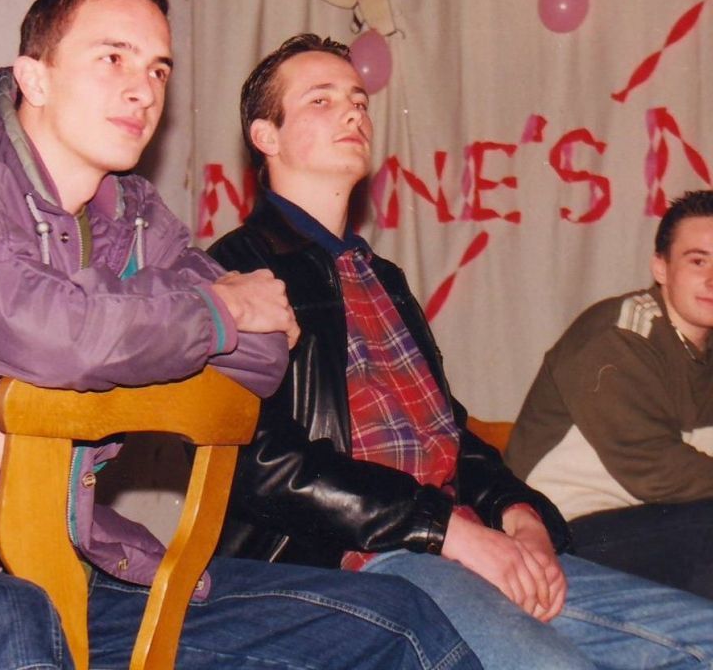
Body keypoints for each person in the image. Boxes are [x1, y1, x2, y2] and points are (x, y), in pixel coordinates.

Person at [0, 0, 481, 670]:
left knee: (399, 623)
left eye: (158, 69)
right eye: (113, 58)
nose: (144, 90)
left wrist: (59, 382)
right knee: (13, 620)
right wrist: (202, 314)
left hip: (68, 558)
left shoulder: (134, 213)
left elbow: (265, 351)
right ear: (34, 79)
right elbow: (59, 334)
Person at [209, 33, 713, 670]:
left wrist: (519, 511)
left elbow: (448, 435)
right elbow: (259, 462)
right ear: (266, 136)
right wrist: (445, 530)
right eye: (321, 100)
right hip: (347, 560)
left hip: (447, 539)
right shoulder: (236, 270)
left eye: (359, 100)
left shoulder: (378, 275)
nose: (353, 113)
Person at [505, 189, 713, 600]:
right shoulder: (620, 335)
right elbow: (655, 470)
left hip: (656, 521)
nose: (712, 279)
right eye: (698, 261)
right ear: (661, 267)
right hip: (558, 533)